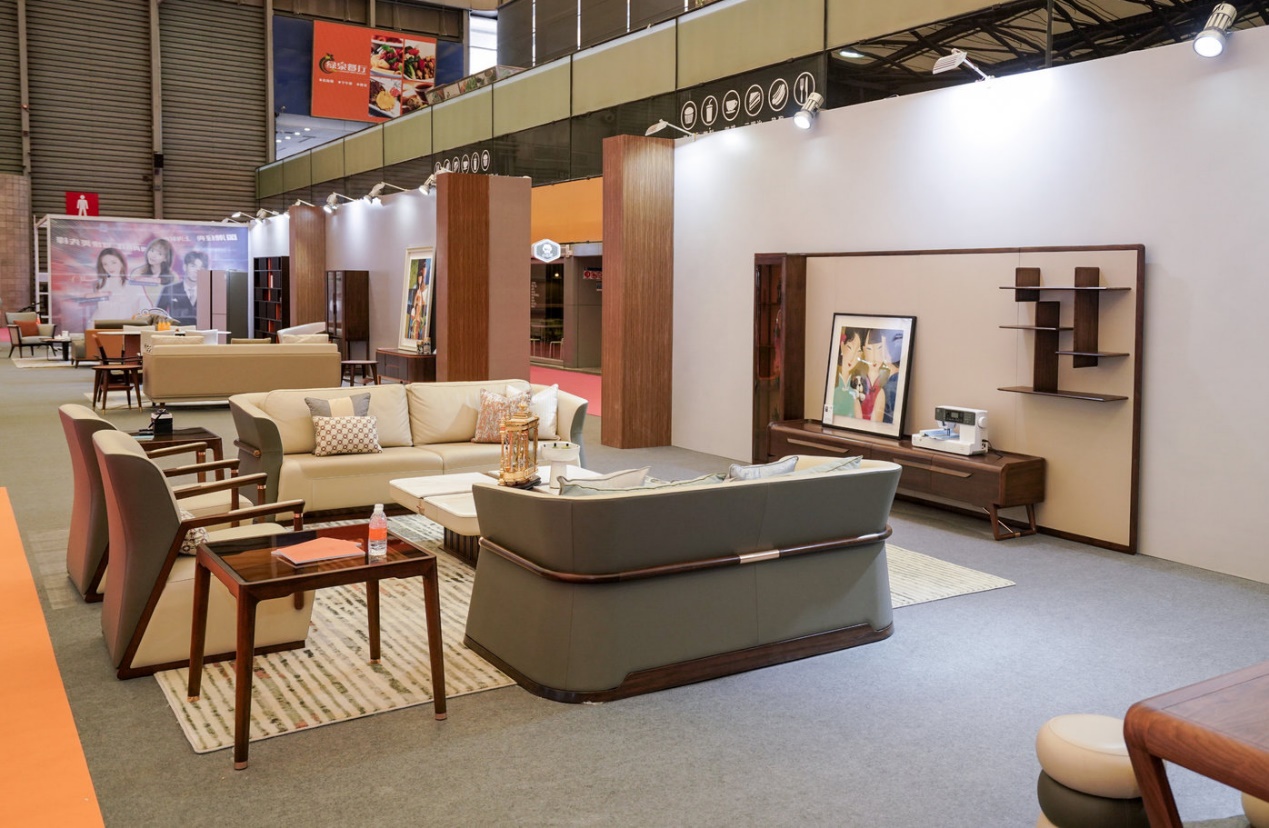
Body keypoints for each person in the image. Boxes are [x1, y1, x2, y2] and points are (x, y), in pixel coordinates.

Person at [89, 248, 151, 320]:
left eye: (113, 262)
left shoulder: (134, 285)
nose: (110, 267)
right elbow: (100, 310)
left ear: (121, 262)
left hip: (128, 325)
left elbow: (145, 307)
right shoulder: (99, 285)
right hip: (104, 324)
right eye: (105, 264)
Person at [854, 328, 892, 422]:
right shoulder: (857, 381)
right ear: (863, 350)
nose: (874, 356)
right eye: (869, 349)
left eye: (879, 348)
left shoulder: (888, 383)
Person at [158, 251, 203, 325]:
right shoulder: (169, 290)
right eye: (193, 266)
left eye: (201, 268)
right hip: (176, 330)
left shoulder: (208, 292)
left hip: (202, 331)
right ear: (185, 267)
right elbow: (158, 316)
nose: (196, 271)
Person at [831, 327, 864, 419]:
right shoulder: (832, 386)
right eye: (850, 347)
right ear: (842, 346)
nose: (852, 358)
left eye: (858, 352)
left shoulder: (854, 393)